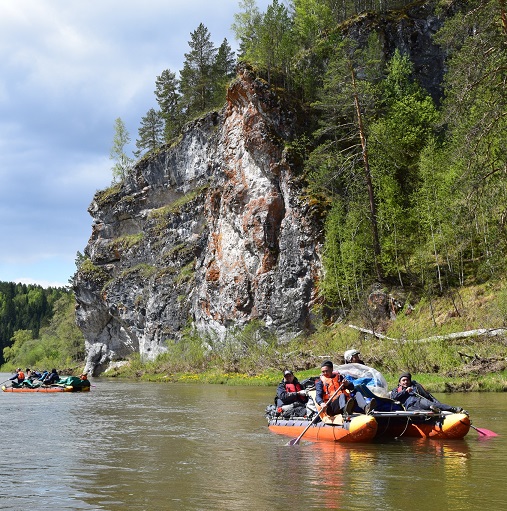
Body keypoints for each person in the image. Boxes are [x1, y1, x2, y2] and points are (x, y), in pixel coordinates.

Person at [390, 372, 467, 414]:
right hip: (409, 406)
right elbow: (394, 397)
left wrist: (437, 403)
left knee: (432, 404)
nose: (406, 382)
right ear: (400, 382)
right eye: (403, 380)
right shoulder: (396, 390)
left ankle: (455, 409)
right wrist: (405, 391)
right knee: (419, 412)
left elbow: (429, 396)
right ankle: (433, 413)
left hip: (419, 401)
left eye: (407, 380)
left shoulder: (416, 387)